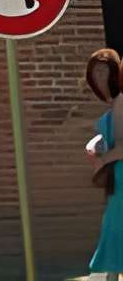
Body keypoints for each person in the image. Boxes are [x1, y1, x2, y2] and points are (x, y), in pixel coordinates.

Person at [86, 47, 123, 279]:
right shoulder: (114, 106)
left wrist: (101, 160)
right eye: (94, 73)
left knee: (114, 238)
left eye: (103, 71)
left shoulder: (120, 101)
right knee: (115, 240)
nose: (99, 78)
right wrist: (96, 143)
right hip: (117, 182)